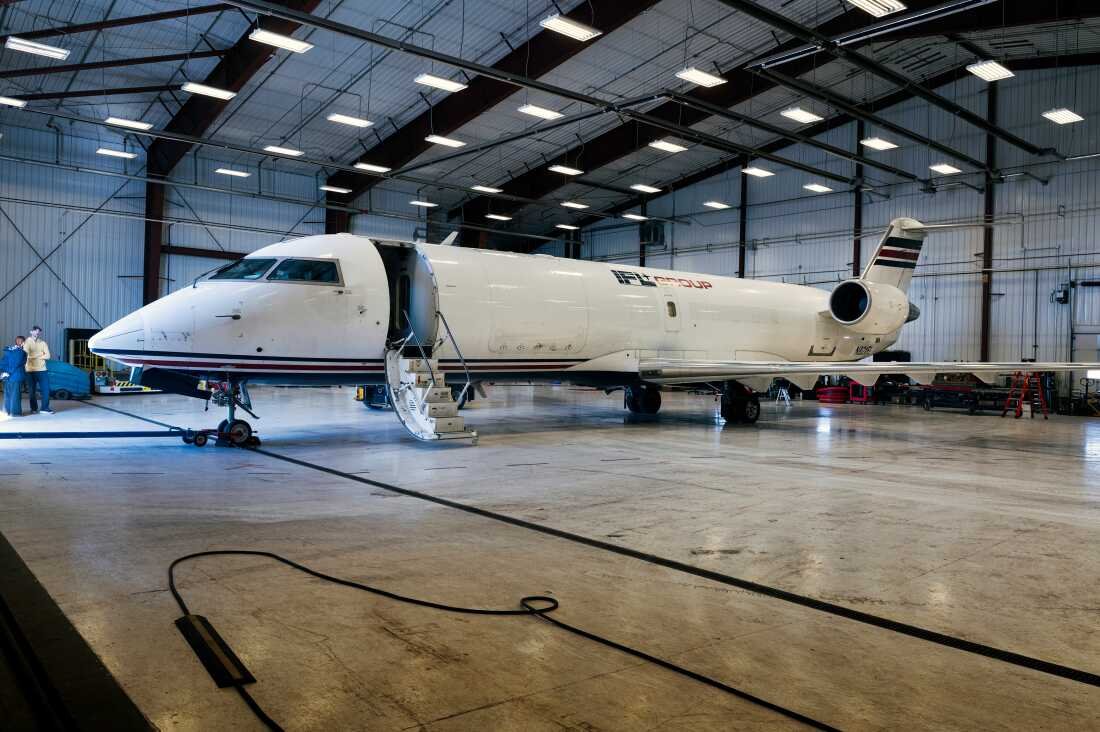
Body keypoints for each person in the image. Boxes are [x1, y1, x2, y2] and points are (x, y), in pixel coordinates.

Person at [23, 325, 53, 414]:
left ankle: (45, 408)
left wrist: (33, 356)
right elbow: (26, 356)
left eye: (38, 331)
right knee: (32, 391)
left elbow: (48, 356)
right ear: (31, 332)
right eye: (35, 331)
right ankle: (34, 408)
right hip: (30, 370)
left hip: (42, 370)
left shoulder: (43, 343)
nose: (37, 333)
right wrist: (40, 355)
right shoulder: (26, 343)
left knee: (46, 389)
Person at [2, 335, 26, 417]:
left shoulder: (8, 351)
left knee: (8, 394)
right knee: (15, 395)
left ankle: (7, 411)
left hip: (8, 376)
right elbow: (16, 364)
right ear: (23, 343)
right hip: (15, 376)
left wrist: (4, 373)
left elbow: (3, 363)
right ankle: (15, 413)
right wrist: (7, 372)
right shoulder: (21, 352)